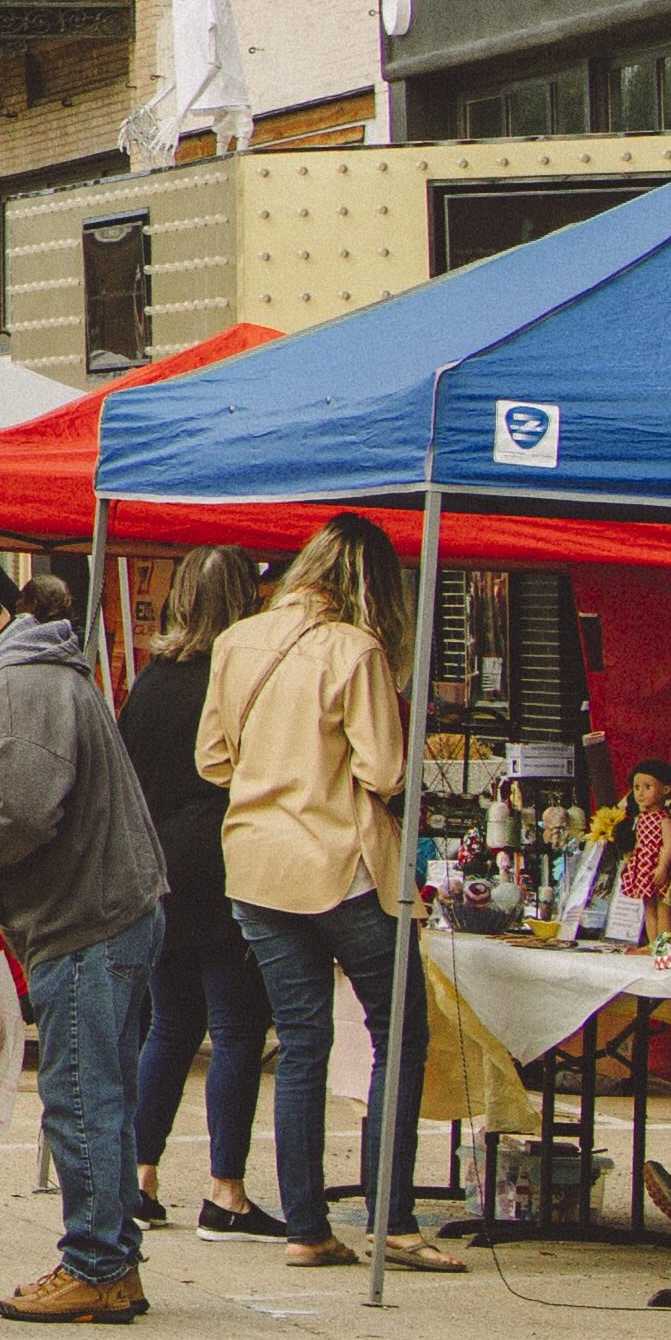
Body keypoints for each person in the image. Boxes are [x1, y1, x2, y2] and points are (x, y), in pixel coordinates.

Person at [0, 551, 165, 1325]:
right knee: (99, 1091)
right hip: (110, 904)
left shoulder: (20, 680)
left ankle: (97, 1263)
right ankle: (109, 1258)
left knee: (81, 1096)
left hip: (89, 913)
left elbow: (25, 808)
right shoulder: (36, 668)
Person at [201, 513, 455, 1274]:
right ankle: (392, 1217)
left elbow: (212, 759)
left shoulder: (237, 639)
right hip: (339, 863)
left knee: (302, 1042)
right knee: (398, 1033)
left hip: (254, 864)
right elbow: (384, 770)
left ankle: (306, 1226)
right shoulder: (358, 649)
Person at [118, 545, 274, 1237]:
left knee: (171, 1025)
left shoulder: (151, 679)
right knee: (237, 1029)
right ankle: (225, 1188)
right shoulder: (238, 678)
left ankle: (140, 1176)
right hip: (225, 857)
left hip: (158, 865)